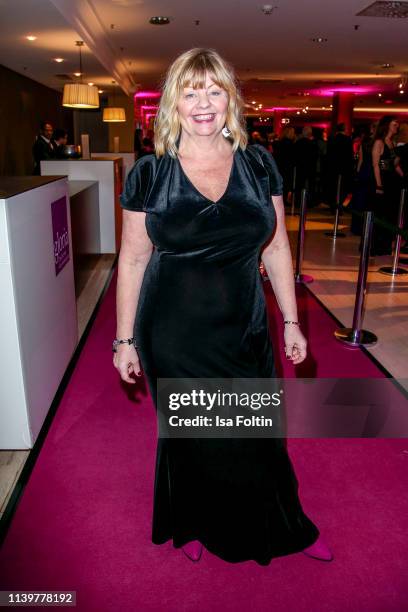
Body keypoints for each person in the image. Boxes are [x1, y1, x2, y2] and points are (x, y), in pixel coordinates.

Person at [114, 48, 332, 565]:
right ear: (174, 103)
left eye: (214, 90)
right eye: (191, 91)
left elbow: (276, 247)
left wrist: (292, 321)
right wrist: (125, 339)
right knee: (195, 433)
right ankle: (192, 519)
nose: (203, 103)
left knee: (257, 431)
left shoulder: (258, 165)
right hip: (174, 327)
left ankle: (282, 524)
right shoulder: (150, 173)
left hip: (243, 323)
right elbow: (132, 261)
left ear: (230, 99)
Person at [371, 115, 403, 256]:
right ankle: (376, 246)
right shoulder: (379, 142)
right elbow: (376, 165)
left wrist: (403, 175)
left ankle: (384, 245)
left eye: (397, 124)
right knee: (381, 214)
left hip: (392, 181)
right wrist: (378, 185)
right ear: (387, 125)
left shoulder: (392, 142)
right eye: (394, 123)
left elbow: (394, 165)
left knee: (390, 214)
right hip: (382, 180)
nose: (397, 125)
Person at [326, 123, 354, 213]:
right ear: (344, 129)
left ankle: (333, 206)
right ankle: (339, 205)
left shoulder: (331, 139)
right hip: (344, 167)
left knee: (333, 187)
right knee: (343, 188)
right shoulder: (348, 140)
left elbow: (328, 154)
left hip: (332, 167)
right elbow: (350, 155)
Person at [294, 126, 318, 206]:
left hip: (300, 167)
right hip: (310, 168)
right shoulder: (313, 144)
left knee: (299, 185)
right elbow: (315, 157)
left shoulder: (298, 143)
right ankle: (310, 202)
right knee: (310, 186)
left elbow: (295, 156)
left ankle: (298, 201)